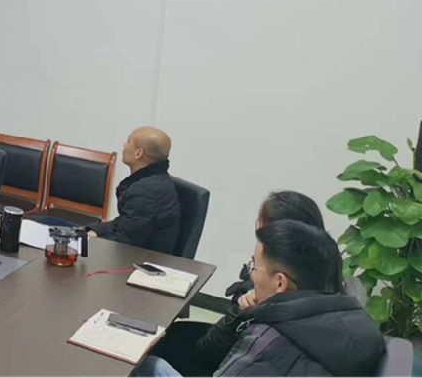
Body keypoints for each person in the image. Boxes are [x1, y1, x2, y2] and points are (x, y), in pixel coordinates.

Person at [136, 221, 385, 377]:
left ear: (280, 283)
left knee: (146, 366)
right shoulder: (352, 314)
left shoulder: (266, 342)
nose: (251, 275)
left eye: (254, 266)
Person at [146, 191, 327, 376]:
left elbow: (210, 353)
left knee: (149, 361)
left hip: (222, 360)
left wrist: (242, 313)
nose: (256, 225)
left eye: (255, 267)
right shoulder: (321, 288)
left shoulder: (269, 316)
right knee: (169, 335)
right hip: (230, 349)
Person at [85, 127, 180, 254]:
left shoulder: (146, 193)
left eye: (128, 141)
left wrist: (87, 242)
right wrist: (94, 231)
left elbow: (124, 243)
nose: (124, 145)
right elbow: (125, 222)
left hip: (137, 259)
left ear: (138, 153)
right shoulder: (153, 180)